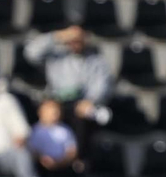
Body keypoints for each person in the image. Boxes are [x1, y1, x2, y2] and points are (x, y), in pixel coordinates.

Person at [22, 25, 110, 158]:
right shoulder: (56, 55)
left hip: (80, 104)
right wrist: (59, 36)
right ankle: (43, 160)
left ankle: (77, 161)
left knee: (87, 117)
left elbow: (102, 85)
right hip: (56, 100)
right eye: (72, 39)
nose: (75, 42)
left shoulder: (96, 60)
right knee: (45, 113)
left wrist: (90, 101)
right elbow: (30, 52)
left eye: (79, 39)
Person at [28, 97, 78, 177]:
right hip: (40, 169)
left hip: (63, 167)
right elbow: (32, 151)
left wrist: (60, 162)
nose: (54, 113)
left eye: (56, 110)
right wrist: (43, 160)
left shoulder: (65, 130)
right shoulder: (33, 131)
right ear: (40, 112)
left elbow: (72, 151)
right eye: (49, 110)